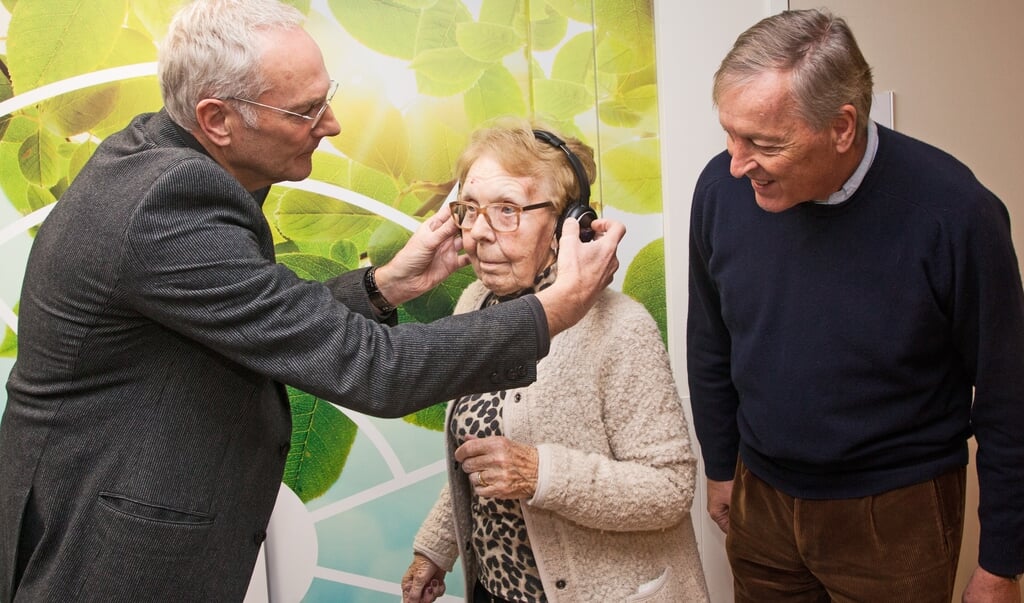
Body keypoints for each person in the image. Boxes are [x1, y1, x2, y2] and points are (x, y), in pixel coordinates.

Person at [0, 1, 626, 601]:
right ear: (218, 119)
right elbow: (373, 367)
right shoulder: (173, 200)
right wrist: (554, 308)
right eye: (306, 111)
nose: (331, 124)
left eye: (327, 99)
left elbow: (254, 315)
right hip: (105, 551)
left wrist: (384, 286)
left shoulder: (153, 157)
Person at [687, 8, 1024, 603]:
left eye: (763, 143)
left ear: (842, 126)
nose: (737, 164)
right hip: (760, 499)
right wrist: (720, 465)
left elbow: (1009, 396)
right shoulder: (722, 189)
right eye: (730, 135)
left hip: (896, 514)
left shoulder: (958, 214)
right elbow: (711, 339)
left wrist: (1002, 563)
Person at [400, 120, 708, 603]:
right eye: (470, 209)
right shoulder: (474, 305)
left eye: (507, 210)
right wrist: (435, 549)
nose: (477, 233)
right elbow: (480, 458)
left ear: (570, 224)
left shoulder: (621, 328)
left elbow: (670, 489)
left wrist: (540, 473)